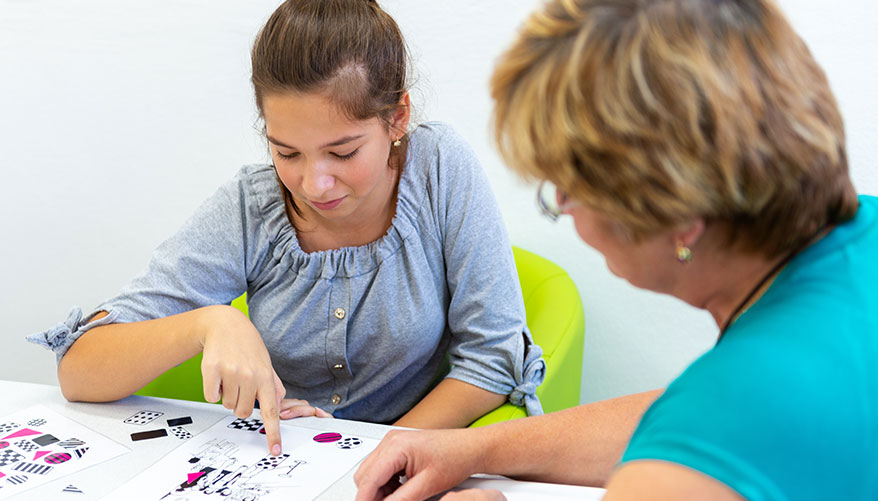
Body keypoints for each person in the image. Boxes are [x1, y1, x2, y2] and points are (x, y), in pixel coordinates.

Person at [350, 0, 878, 501]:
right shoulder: (859, 246)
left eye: (564, 193)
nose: (565, 215)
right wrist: (472, 449)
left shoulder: (754, 412)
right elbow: (688, 423)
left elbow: (733, 429)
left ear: (675, 211)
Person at [28, 0, 545, 456]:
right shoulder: (250, 207)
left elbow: (493, 359)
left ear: (397, 118)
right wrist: (210, 323)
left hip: (417, 463)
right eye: (286, 152)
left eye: (343, 152)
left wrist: (371, 457)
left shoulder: (438, 168)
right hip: (283, 472)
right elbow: (79, 372)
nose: (314, 184)